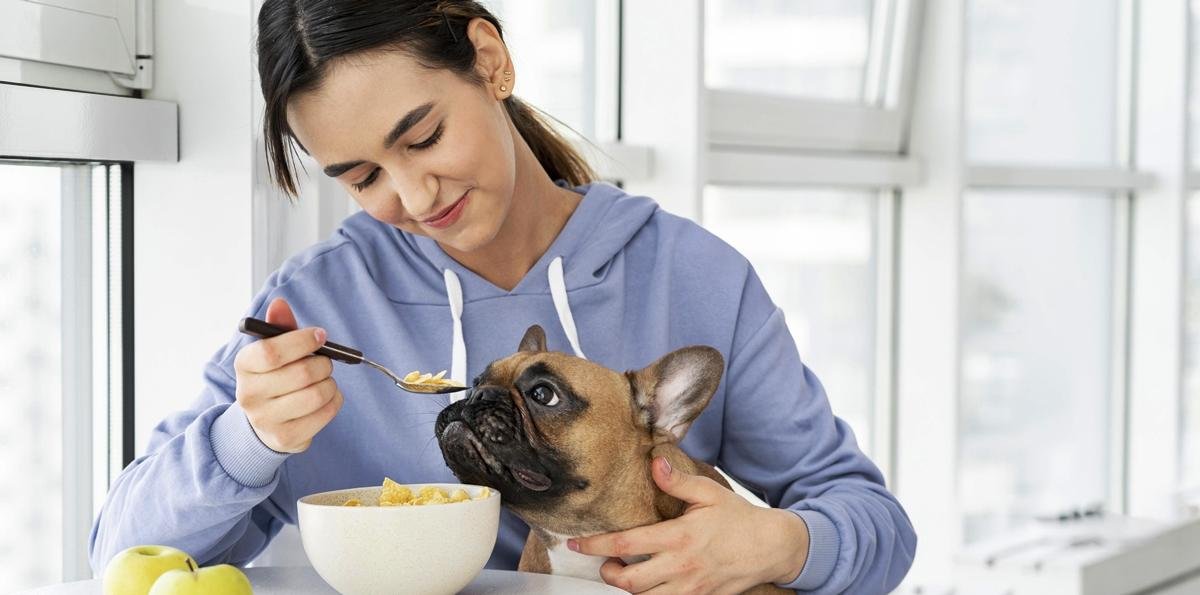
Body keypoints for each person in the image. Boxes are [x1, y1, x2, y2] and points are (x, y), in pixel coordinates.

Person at [89, 1, 916, 593]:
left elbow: (876, 526)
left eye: (423, 137)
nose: (414, 197)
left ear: (490, 60)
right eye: (363, 177)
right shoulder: (316, 305)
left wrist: (777, 543)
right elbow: (119, 557)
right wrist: (250, 435)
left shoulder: (691, 274)